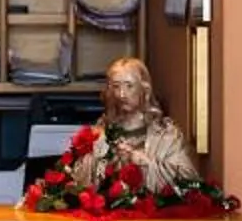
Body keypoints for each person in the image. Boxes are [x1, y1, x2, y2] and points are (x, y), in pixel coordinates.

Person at [62, 56, 202, 198]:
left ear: (143, 88)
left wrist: (144, 163)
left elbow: (189, 181)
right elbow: (77, 182)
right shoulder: (99, 133)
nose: (122, 94)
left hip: (154, 216)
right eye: (116, 86)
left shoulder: (167, 135)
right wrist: (104, 161)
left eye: (129, 86)